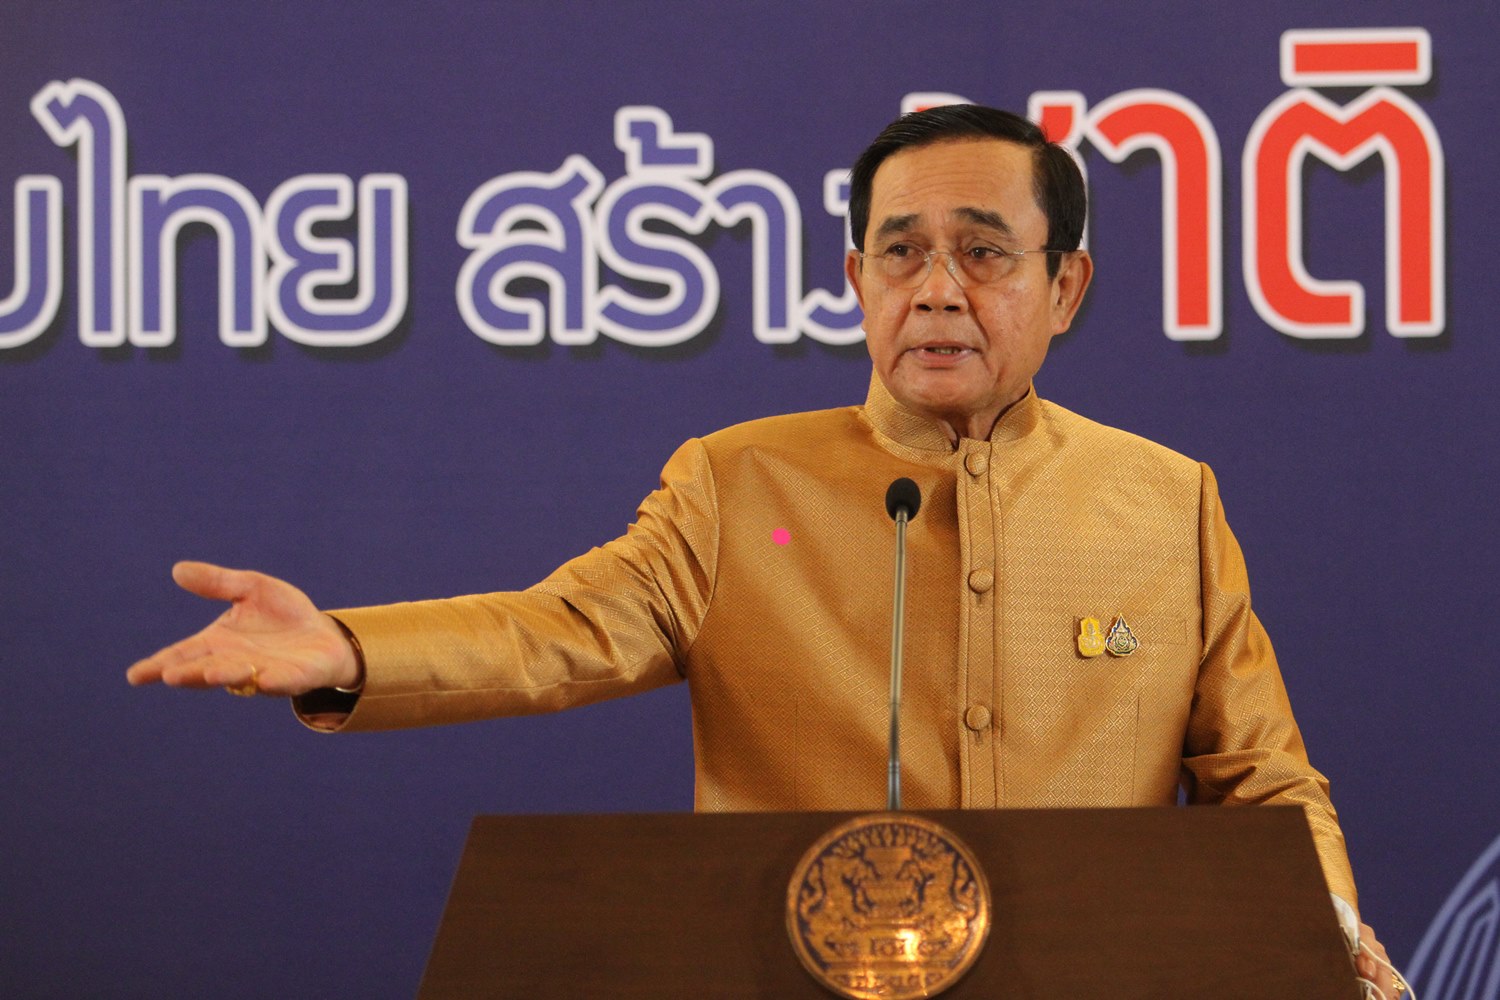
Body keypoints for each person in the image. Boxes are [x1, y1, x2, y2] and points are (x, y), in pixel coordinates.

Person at [127, 104, 1399, 996]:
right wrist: (348, 649)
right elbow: (557, 632)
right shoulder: (742, 485)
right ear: (855, 275)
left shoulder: (1167, 501)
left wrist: (1331, 936)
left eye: (983, 252)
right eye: (901, 252)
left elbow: (1265, 778)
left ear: (1065, 287)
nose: (937, 288)